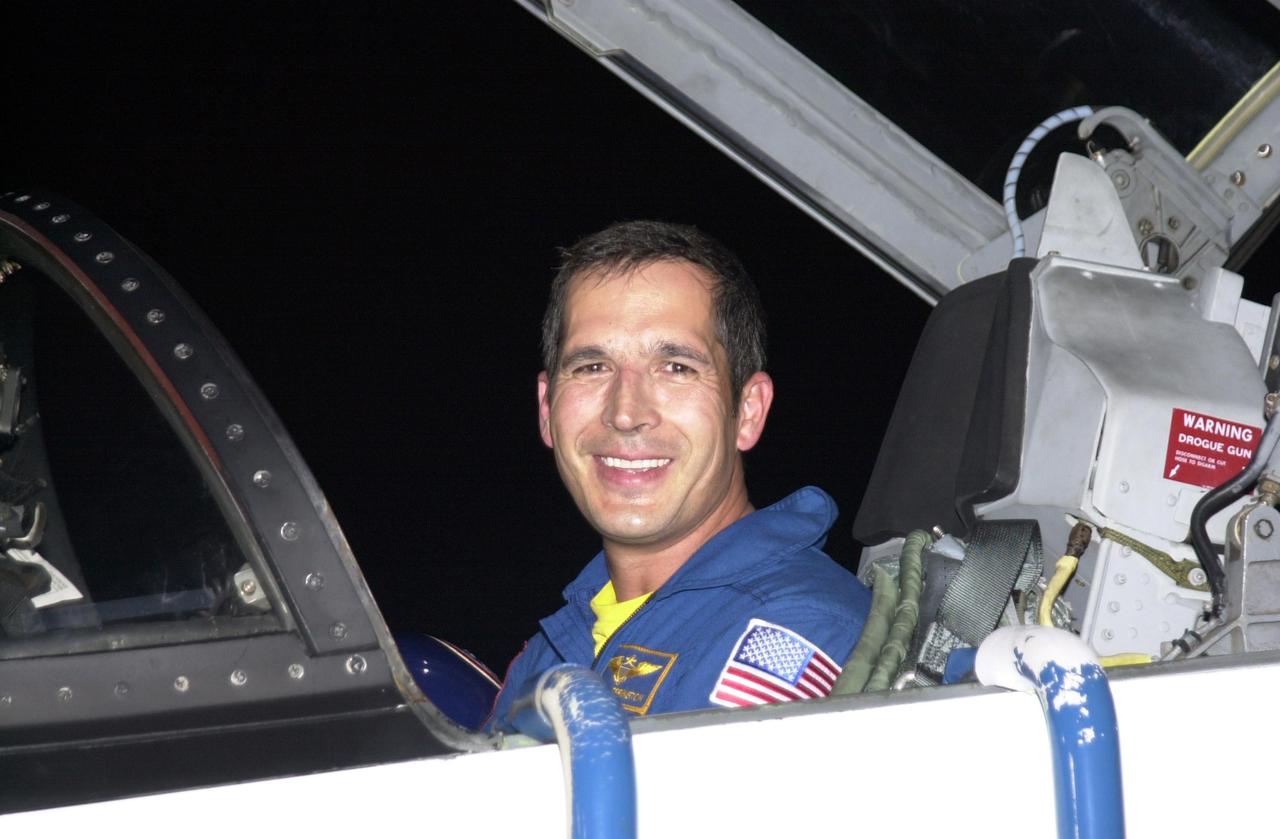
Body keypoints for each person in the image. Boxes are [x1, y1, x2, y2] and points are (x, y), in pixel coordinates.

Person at [488, 221, 871, 725]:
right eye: (592, 367)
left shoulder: (795, 628)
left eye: (676, 367)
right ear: (546, 409)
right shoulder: (551, 650)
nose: (625, 412)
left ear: (748, 411)